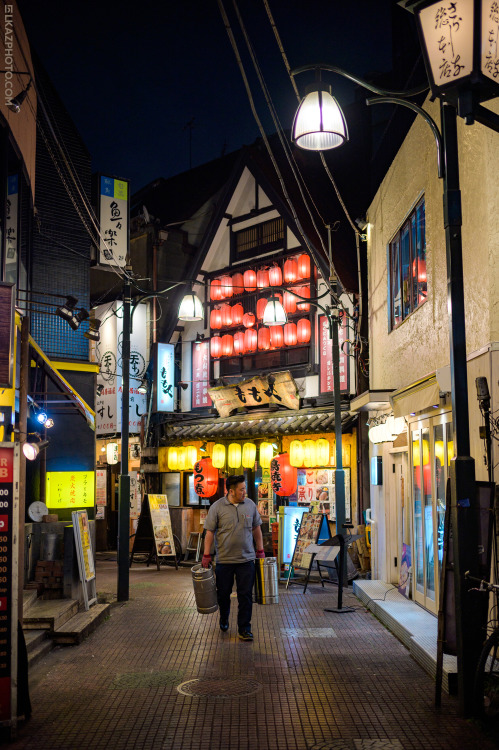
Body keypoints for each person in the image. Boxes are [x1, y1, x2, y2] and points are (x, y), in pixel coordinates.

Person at [202, 474, 264, 641]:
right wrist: (206, 554)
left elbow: (256, 529)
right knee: (223, 594)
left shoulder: (250, 505)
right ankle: (224, 618)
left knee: (245, 595)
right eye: (241, 489)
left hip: (246, 560)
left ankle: (244, 628)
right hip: (224, 560)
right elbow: (209, 532)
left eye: (245, 489)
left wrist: (260, 550)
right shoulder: (217, 507)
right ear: (231, 491)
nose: (245, 492)